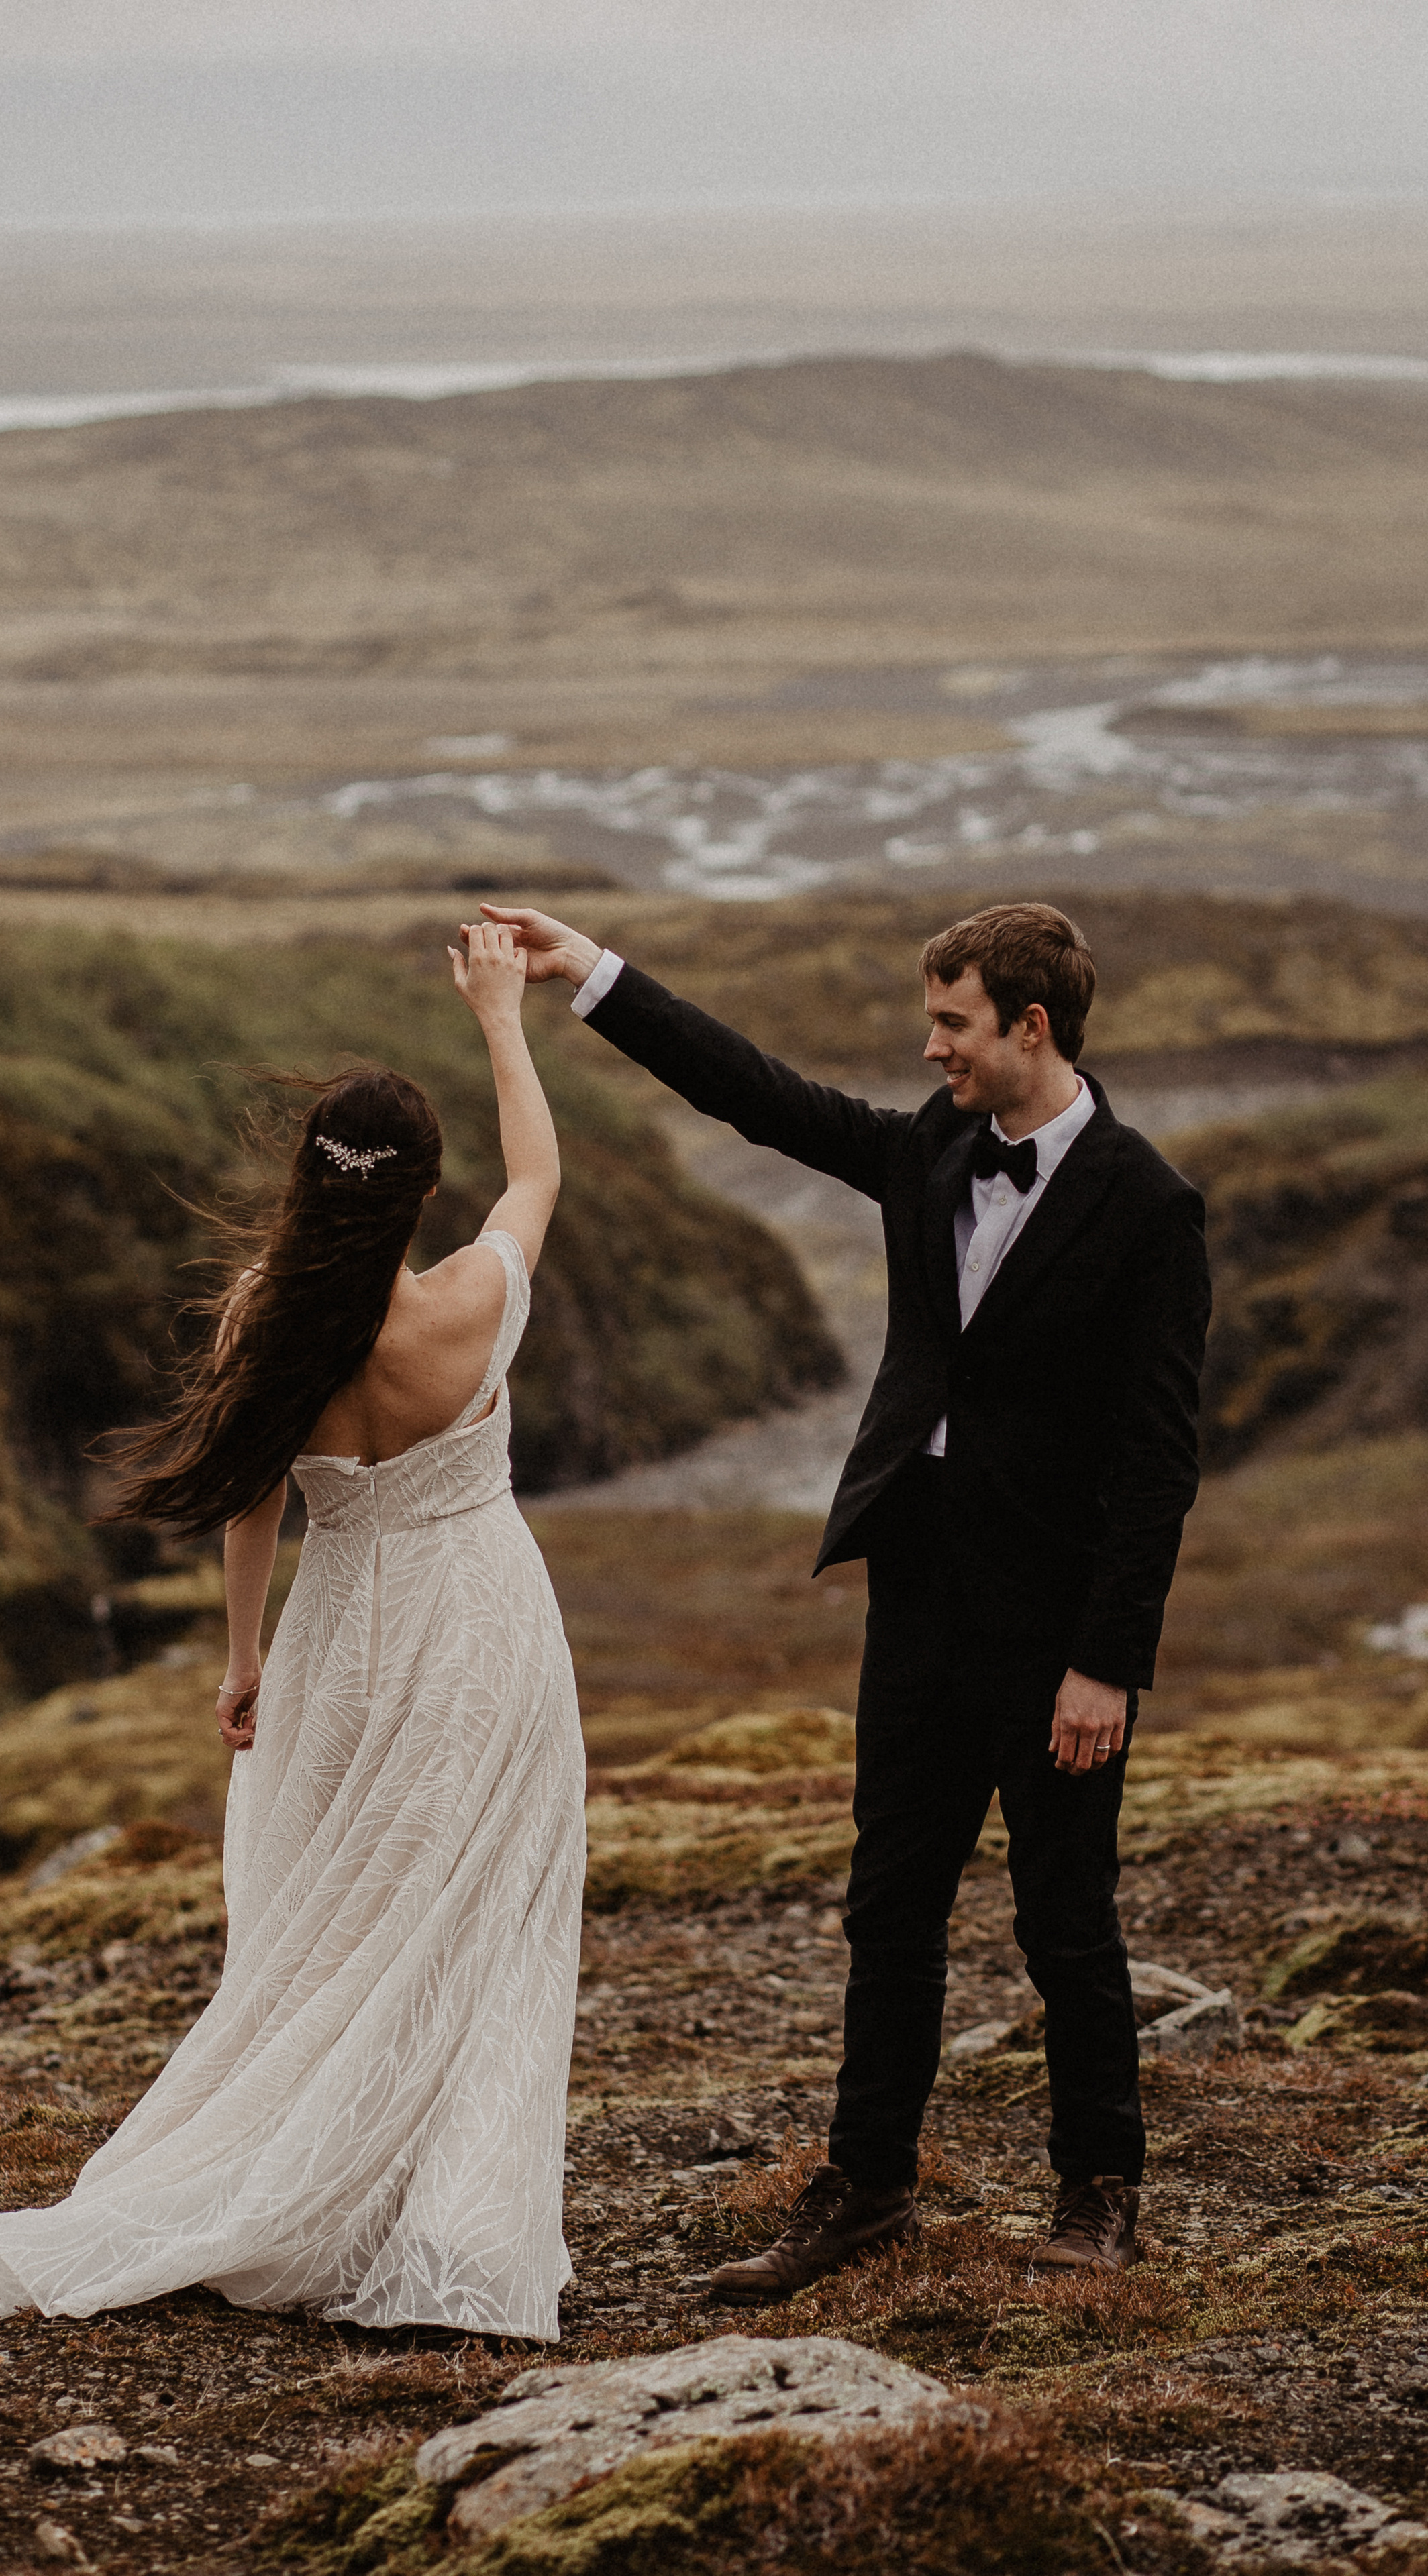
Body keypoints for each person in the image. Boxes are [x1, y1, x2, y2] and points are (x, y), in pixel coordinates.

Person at [0, 922, 584, 2342]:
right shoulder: (475, 1301)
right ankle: (447, 2215)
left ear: (308, 1182)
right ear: (421, 1193)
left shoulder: (265, 1314)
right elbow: (539, 1174)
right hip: (485, 1628)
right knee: (479, 1912)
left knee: (337, 1917)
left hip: (345, 1634)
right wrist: (500, 1013)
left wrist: (244, 1660)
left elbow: (250, 1499)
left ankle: (323, 2174)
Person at [476, 896, 1209, 2292]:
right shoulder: (933, 1150)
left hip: (1054, 1625)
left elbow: (1156, 1458)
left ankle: (1098, 2197)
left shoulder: (1148, 1206)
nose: (926, 1046)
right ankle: (865, 2187)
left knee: (1065, 1917)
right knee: (889, 1906)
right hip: (916, 1590)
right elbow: (758, 1097)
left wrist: (1104, 1661)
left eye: (950, 1023)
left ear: (1028, 1027)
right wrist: (594, 979)